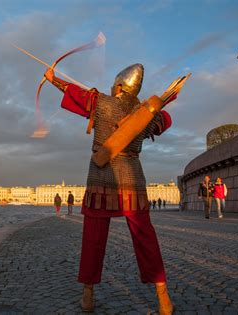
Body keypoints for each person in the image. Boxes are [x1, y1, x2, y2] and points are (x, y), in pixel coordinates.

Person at [44, 64, 174, 314]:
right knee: (145, 236)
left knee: (93, 237)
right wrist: (154, 108)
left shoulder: (102, 103)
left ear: (120, 86)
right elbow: (164, 121)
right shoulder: (145, 113)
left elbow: (78, 95)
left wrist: (52, 79)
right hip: (132, 177)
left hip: (101, 175)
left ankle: (88, 294)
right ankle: (163, 296)